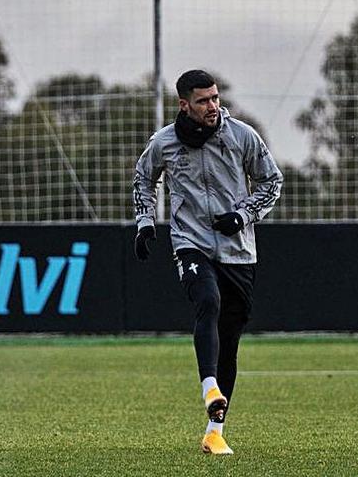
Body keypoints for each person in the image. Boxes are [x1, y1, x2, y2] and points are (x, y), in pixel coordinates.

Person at [133, 70, 283, 455]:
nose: (212, 106)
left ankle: (215, 431)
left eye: (215, 98)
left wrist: (243, 215)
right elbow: (143, 179)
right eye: (203, 101)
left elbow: (272, 182)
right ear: (184, 104)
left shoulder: (242, 136)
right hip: (190, 242)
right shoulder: (163, 142)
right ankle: (208, 388)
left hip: (238, 251)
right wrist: (146, 222)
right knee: (207, 302)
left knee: (229, 342)